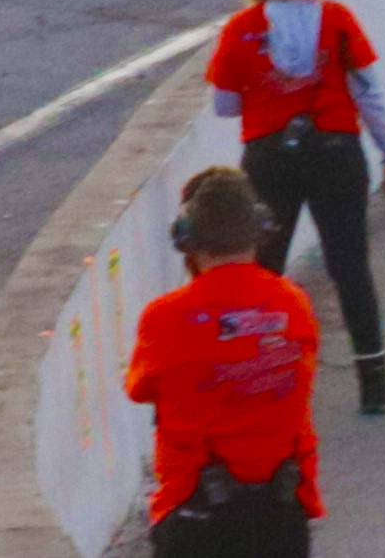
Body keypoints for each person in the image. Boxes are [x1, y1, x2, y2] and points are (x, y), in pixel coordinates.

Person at [203, 0, 385, 422]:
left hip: (270, 156)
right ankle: (373, 384)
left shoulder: (241, 29)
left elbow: (224, 107)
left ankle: (263, 382)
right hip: (337, 152)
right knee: (349, 266)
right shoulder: (336, 21)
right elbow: (370, 97)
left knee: (264, 271)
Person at [127, 164, 323, 557]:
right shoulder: (293, 304)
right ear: (259, 231)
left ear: (186, 239)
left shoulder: (163, 316)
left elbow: (140, 388)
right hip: (280, 511)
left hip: (196, 514)